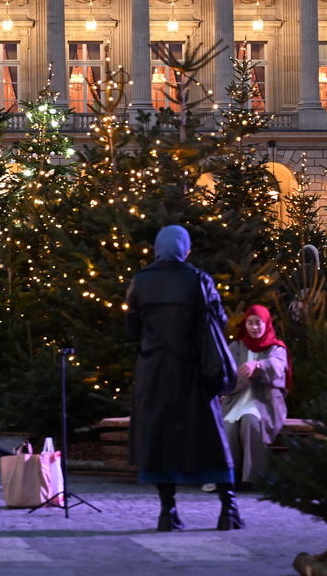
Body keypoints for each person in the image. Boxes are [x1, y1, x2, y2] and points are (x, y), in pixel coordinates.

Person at [125, 224, 239, 531]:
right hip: (193, 371)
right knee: (209, 436)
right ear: (185, 248)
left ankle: (167, 512)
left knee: (159, 439)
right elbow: (219, 321)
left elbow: (132, 328)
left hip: (155, 372)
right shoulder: (198, 280)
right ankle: (228, 509)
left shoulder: (141, 281)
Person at [220, 304, 289, 486]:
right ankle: (229, 478)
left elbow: (278, 367)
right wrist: (245, 379)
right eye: (250, 323)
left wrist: (258, 366)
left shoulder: (276, 348)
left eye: (258, 323)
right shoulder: (236, 346)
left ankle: (253, 478)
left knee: (250, 422)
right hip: (235, 401)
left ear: (266, 324)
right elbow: (226, 374)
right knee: (228, 427)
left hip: (263, 402)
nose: (254, 327)